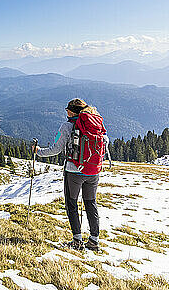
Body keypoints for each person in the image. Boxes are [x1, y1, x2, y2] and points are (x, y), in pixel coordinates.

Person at [33, 98, 111, 251]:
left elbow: (56, 148)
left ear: (72, 111)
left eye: (67, 109)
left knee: (71, 204)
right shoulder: (95, 123)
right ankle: (94, 240)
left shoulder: (67, 126)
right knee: (91, 203)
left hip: (74, 170)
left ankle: (77, 240)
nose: (66, 111)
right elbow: (106, 142)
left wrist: (38, 151)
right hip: (93, 171)